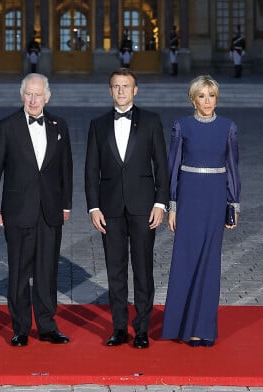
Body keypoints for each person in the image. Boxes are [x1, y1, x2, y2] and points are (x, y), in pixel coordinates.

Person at [0, 73, 73, 347]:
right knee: (19, 272)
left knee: (47, 271)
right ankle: (20, 327)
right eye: (29, 94)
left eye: (38, 95)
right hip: (18, 209)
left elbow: (66, 169)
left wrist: (66, 204)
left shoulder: (60, 125)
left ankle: (47, 326)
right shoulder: (6, 126)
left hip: (50, 209)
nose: (33, 100)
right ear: (22, 95)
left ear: (47, 97)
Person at [84, 68, 169, 349]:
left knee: (143, 269)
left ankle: (142, 328)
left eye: (126, 86)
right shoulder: (97, 125)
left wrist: (160, 203)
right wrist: (93, 207)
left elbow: (162, 167)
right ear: (110, 91)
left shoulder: (152, 122)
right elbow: (90, 170)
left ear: (136, 90)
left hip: (145, 207)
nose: (121, 91)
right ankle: (119, 327)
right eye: (116, 86)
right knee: (115, 269)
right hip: (109, 210)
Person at [161, 75, 241, 348]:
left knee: (210, 263)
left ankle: (202, 328)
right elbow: (172, 168)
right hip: (189, 197)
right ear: (193, 99)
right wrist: (172, 205)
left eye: (212, 95)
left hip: (215, 198)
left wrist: (233, 204)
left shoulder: (228, 127)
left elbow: (232, 167)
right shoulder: (181, 126)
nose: (207, 101)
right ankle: (179, 325)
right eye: (202, 96)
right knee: (185, 260)